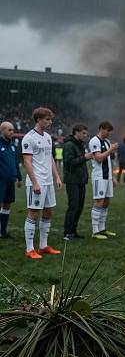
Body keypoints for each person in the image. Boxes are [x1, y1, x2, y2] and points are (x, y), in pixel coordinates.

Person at [22, 107, 63, 259]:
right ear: (38, 119)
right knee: (33, 212)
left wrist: (57, 177)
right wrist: (34, 183)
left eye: (50, 119)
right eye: (47, 119)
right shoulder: (29, 138)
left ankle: (43, 246)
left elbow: (50, 157)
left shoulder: (47, 137)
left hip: (48, 182)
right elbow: (27, 161)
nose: (50, 122)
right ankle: (29, 249)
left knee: (48, 211)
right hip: (37, 181)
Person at [62, 124, 93, 241]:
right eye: (84, 133)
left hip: (80, 180)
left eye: (86, 133)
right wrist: (85, 157)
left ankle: (73, 231)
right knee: (73, 207)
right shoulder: (69, 145)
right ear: (76, 132)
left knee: (79, 207)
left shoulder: (79, 144)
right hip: (72, 180)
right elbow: (69, 162)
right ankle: (67, 233)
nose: (86, 136)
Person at [89, 121, 119, 240]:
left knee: (107, 202)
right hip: (99, 176)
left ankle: (102, 228)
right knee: (99, 201)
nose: (108, 134)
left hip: (107, 177)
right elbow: (99, 158)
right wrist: (110, 150)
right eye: (107, 131)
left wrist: (113, 177)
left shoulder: (106, 142)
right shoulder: (94, 141)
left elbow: (109, 161)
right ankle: (95, 231)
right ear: (101, 129)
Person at [0, 121, 22, 239]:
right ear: (2, 130)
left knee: (7, 206)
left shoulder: (12, 145)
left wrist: (19, 177)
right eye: (9, 130)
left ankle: (3, 232)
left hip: (10, 181)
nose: (12, 132)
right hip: (0, 181)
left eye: (13, 130)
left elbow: (15, 162)